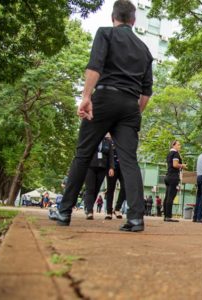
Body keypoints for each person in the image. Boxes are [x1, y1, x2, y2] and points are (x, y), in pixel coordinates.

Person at [49, 0, 152, 233]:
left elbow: (95, 66)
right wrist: (133, 112)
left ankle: (64, 211)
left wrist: (86, 96)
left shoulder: (105, 34)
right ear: (133, 21)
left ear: (113, 17)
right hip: (130, 104)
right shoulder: (144, 49)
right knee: (129, 160)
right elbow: (146, 92)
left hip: (105, 98)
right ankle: (136, 218)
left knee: (83, 154)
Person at [84, 135, 114, 220]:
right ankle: (90, 211)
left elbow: (111, 155)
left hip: (102, 168)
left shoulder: (108, 142)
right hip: (90, 167)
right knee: (90, 189)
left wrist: (111, 167)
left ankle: (88, 206)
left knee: (96, 189)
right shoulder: (92, 137)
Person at [164, 140, 186, 222]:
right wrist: (182, 165)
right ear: (173, 145)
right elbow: (175, 165)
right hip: (173, 177)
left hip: (168, 176)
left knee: (167, 197)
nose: (180, 146)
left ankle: (166, 215)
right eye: (178, 144)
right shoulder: (175, 153)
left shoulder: (169, 154)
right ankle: (168, 216)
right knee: (171, 197)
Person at [104, 140, 126, 220]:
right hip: (112, 168)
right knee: (110, 189)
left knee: (125, 187)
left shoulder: (124, 140)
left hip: (123, 168)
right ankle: (109, 212)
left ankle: (117, 209)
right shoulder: (109, 141)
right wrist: (110, 167)